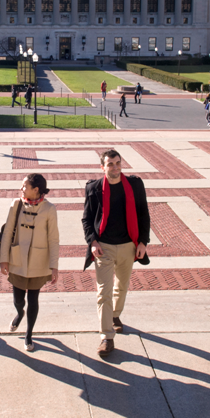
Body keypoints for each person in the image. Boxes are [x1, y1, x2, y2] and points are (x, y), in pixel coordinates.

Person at [82, 149, 150, 357]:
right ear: (102, 167)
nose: (115, 167)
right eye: (110, 164)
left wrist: (143, 242)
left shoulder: (135, 185)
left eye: (118, 163)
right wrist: (92, 241)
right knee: (104, 291)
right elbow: (87, 219)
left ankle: (115, 315)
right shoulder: (94, 189)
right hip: (105, 248)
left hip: (129, 245)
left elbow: (143, 214)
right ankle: (106, 337)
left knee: (122, 286)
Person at [0, 174, 59, 352]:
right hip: (17, 259)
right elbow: (8, 232)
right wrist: (4, 259)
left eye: (25, 185)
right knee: (18, 299)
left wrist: (54, 265)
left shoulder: (49, 209)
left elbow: (53, 239)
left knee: (33, 299)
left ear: (36, 190)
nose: (21, 188)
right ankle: (19, 313)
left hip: (39, 262)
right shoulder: (16, 205)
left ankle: (29, 334)